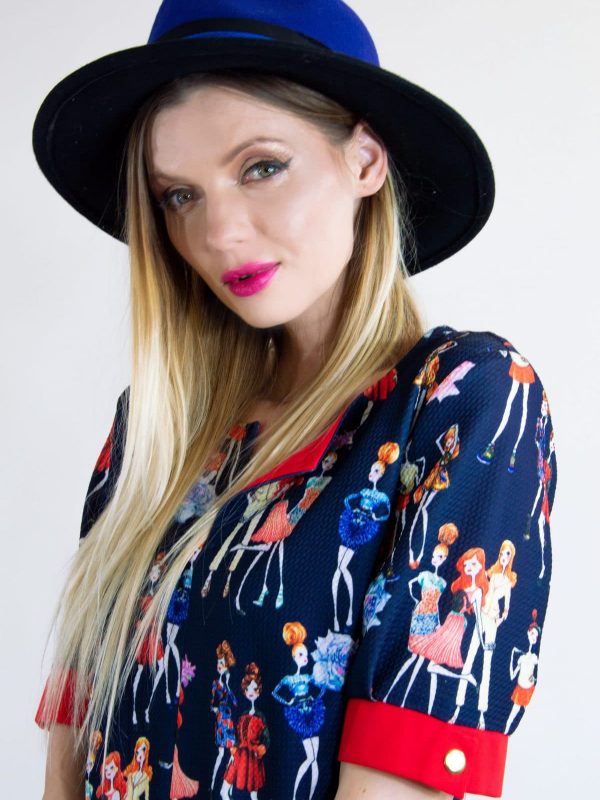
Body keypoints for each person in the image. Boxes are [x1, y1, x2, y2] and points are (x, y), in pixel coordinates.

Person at [32, 2, 558, 799]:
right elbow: (71, 754)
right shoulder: (153, 426)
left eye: (261, 167)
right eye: (180, 196)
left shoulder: (463, 401)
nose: (219, 233)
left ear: (366, 160)